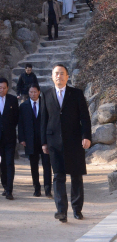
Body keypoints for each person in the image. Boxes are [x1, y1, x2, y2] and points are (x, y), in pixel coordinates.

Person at [41, 64, 91, 223]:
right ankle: (61, 210)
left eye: (62, 74)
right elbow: (43, 120)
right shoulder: (46, 94)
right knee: (58, 176)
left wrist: (86, 136)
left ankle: (77, 209)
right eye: (56, 73)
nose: (59, 76)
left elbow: (85, 117)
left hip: (75, 141)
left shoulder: (76, 94)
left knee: (76, 176)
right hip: (54, 142)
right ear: (52, 76)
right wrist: (43, 142)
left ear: (67, 77)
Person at [18, 83, 52, 198]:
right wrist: (22, 138)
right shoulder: (24, 106)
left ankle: (48, 189)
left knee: (47, 164)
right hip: (30, 140)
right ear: (28, 93)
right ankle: (36, 188)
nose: (33, 94)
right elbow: (21, 123)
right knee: (34, 166)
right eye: (31, 92)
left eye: (35, 92)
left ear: (39, 92)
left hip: (44, 140)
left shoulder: (45, 103)